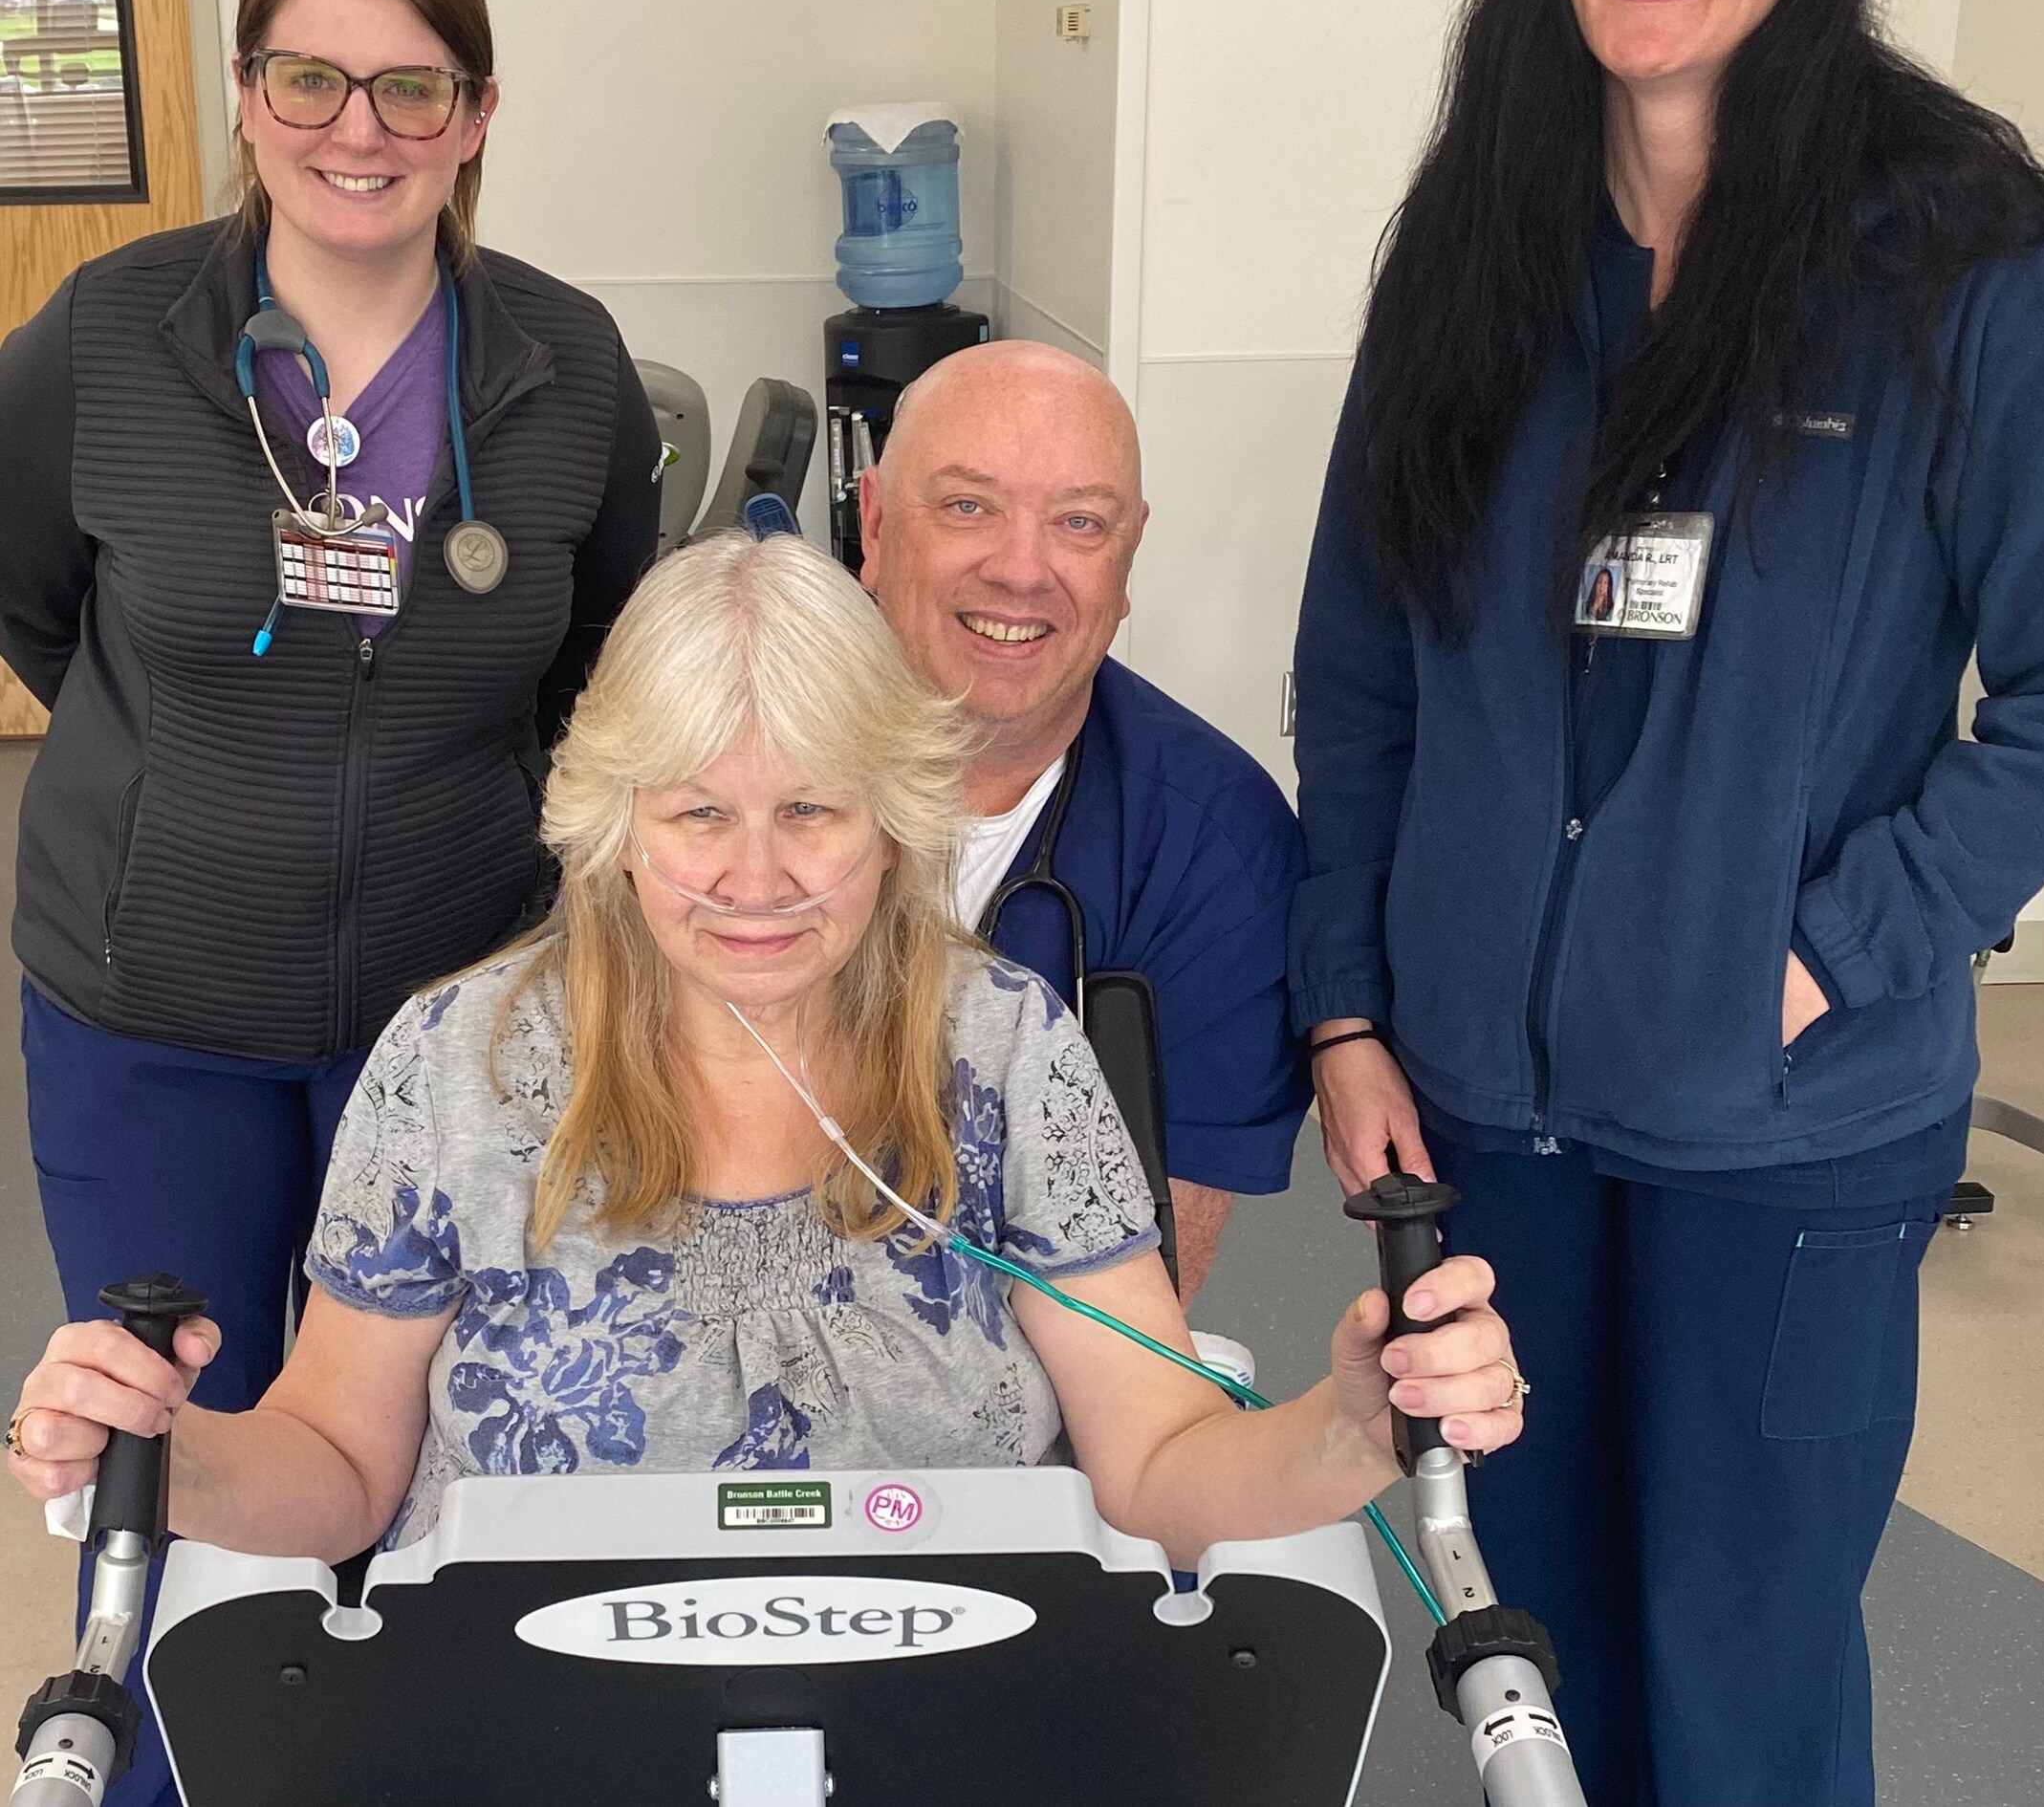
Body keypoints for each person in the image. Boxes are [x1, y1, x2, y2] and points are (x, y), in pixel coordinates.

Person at [1291, 0, 2044, 1807]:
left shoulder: (1962, 267)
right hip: (1490, 1115)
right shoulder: (1476, 247)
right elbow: (1358, 663)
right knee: (1530, 1646)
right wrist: (1344, 1010)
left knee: (1745, 1662)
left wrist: (1834, 946)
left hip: (1785, 1128)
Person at [5, 532, 1527, 1586]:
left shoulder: (1001, 1053)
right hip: (537, 1723)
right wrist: (164, 1459)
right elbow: (337, 1461)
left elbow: (1156, 1468)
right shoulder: (457, 1066)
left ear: (894, 815)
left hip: (947, 1707)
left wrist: (1351, 1425)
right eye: (694, 815)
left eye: (811, 810)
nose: (756, 880)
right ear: (610, 823)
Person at [0, 0, 659, 1807]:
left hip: (461, 1028)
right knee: (179, 1448)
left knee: (429, 1442)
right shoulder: (108, 336)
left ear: (474, 111)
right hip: (156, 1010)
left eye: (409, 85)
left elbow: (599, 679)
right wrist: (206, 761)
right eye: (310, 76)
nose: (355, 129)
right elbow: (42, 603)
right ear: (244, 88)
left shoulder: (561, 365)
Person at [856, 341, 1309, 1299]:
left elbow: (1142, 1307)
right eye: (968, 505)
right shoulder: (722, 777)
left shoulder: (1212, 847)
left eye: (1078, 522)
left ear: (1128, 552)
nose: (1022, 569)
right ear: (874, 520)